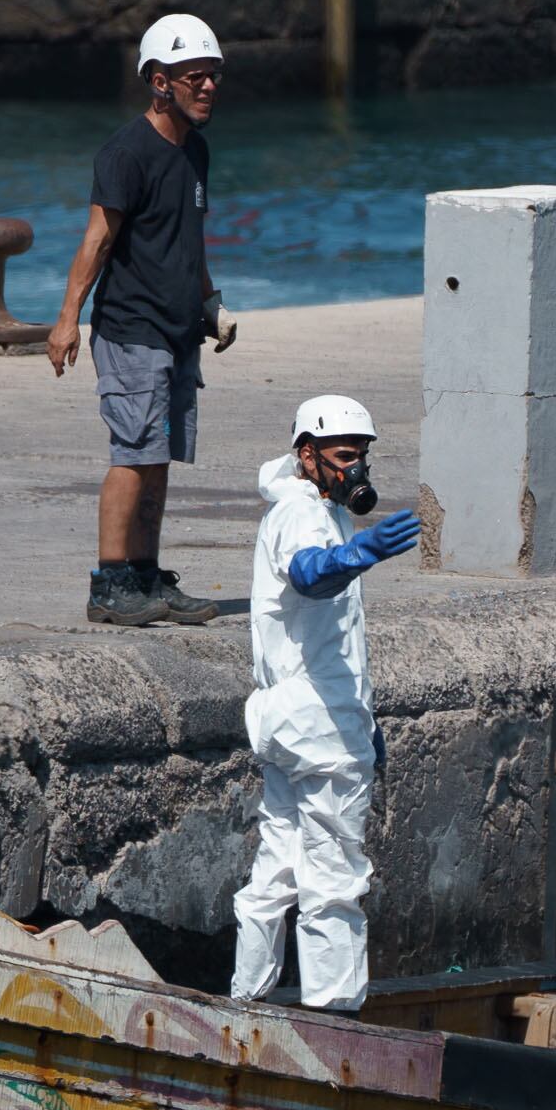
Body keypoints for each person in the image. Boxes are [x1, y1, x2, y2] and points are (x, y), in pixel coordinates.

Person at [45, 11, 241, 629]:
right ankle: (110, 586)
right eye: (194, 77)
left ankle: (147, 578)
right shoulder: (126, 153)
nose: (208, 87)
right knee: (131, 454)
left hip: (180, 331)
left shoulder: (196, 152)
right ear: (159, 81)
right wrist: (67, 319)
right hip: (132, 330)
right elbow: (97, 242)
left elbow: (190, 239)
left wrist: (210, 303)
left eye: (213, 76)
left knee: (158, 459)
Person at [230, 397, 422, 1011]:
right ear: (306, 455)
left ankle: (246, 1002)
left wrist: (365, 720)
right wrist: (359, 555)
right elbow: (310, 573)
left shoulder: (313, 508)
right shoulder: (303, 515)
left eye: (362, 457)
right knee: (334, 878)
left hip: (293, 720)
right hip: (319, 728)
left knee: (278, 868)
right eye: (344, 457)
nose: (356, 470)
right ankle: (333, 1021)